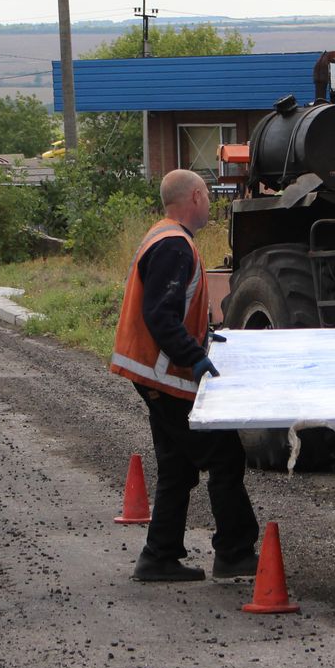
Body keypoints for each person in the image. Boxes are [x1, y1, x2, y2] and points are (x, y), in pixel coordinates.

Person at [111, 169, 260, 582]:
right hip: (166, 376)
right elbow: (160, 314)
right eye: (208, 196)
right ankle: (234, 552)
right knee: (225, 455)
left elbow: (169, 308)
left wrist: (204, 337)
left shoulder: (163, 237)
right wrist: (194, 357)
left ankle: (159, 556)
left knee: (177, 466)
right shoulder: (174, 245)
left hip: (155, 375)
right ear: (195, 196)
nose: (210, 203)